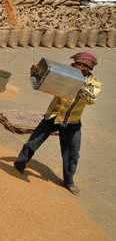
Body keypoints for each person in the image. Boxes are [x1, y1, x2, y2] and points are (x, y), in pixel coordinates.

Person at [14, 52, 101, 196]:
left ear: (89, 68)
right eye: (78, 64)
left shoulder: (93, 83)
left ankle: (68, 182)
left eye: (84, 66)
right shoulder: (63, 75)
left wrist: (78, 84)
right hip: (52, 116)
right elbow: (42, 83)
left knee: (72, 154)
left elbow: (91, 99)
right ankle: (19, 164)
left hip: (72, 122)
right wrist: (36, 74)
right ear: (73, 64)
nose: (80, 67)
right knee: (32, 143)